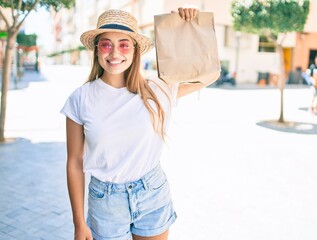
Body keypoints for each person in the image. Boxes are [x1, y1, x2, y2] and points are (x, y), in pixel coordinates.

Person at [61, 8, 217, 240]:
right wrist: (78, 223)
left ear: (135, 50)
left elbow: (208, 75)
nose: (114, 53)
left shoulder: (157, 89)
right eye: (106, 44)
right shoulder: (80, 99)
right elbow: (74, 162)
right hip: (106, 202)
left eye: (124, 44)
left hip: (152, 192)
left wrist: (188, 24)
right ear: (96, 50)